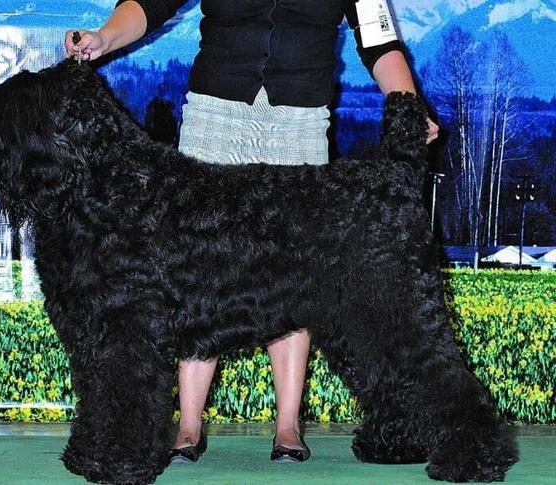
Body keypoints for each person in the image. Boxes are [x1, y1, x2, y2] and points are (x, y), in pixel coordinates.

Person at [65, 0, 439, 465]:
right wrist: (104, 37)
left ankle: (288, 426)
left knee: (298, 278)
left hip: (299, 119)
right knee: (195, 277)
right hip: (215, 115)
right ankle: (188, 426)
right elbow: (152, 3)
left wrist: (408, 106)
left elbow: (379, 41)